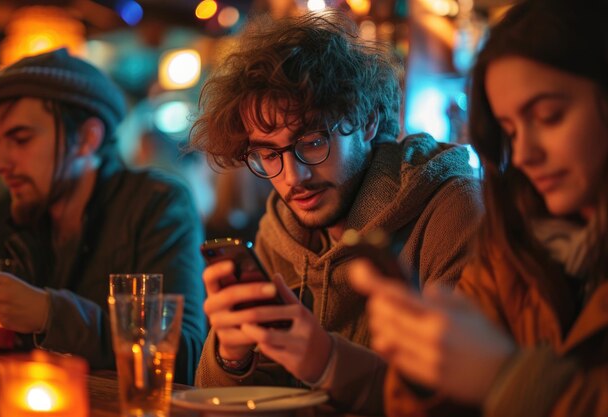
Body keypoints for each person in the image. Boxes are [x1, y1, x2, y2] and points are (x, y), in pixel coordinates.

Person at [188, 10, 482, 415]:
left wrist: (328, 362)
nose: (294, 177)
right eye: (269, 154)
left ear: (367, 121)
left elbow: (467, 399)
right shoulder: (280, 233)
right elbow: (223, 403)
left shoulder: (451, 211)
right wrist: (231, 356)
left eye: (311, 142)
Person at [350, 0, 608, 416]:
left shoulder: (464, 209)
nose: (523, 153)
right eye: (509, 130)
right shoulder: (511, 245)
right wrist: (424, 362)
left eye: (548, 116)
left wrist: (508, 380)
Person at [0, 48, 206, 384]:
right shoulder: (7, 213)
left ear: (87, 138)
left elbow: (185, 355)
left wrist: (49, 313)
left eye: (21, 139)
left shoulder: (156, 204)